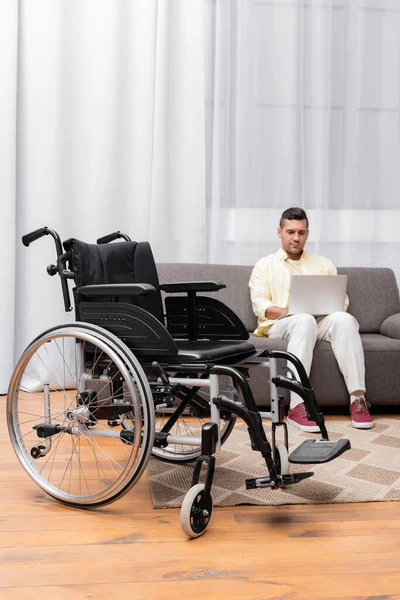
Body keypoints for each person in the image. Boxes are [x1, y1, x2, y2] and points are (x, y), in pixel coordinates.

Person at [249, 207, 373, 431]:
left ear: (307, 233)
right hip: (280, 324)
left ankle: (358, 399)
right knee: (303, 319)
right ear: (279, 232)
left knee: (343, 319)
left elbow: (341, 301)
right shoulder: (264, 266)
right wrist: (290, 309)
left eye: (302, 232)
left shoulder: (323, 264)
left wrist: (322, 307)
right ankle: (297, 406)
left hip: (318, 320)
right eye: (290, 232)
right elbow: (262, 307)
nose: (296, 238)